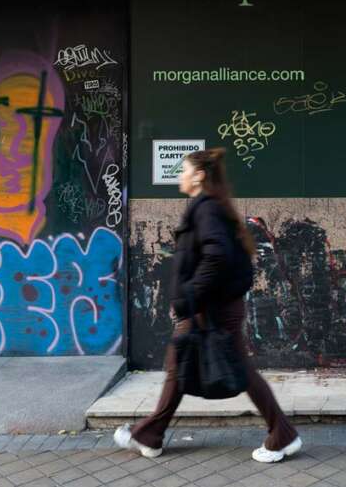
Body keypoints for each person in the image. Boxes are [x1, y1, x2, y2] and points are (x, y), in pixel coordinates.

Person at [114, 148, 302, 463]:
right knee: (180, 363)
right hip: (211, 305)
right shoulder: (207, 207)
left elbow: (217, 256)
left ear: (199, 175)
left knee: (229, 368)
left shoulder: (206, 210)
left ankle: (283, 434)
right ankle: (150, 434)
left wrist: (190, 295)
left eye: (183, 170)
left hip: (211, 307)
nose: (179, 175)